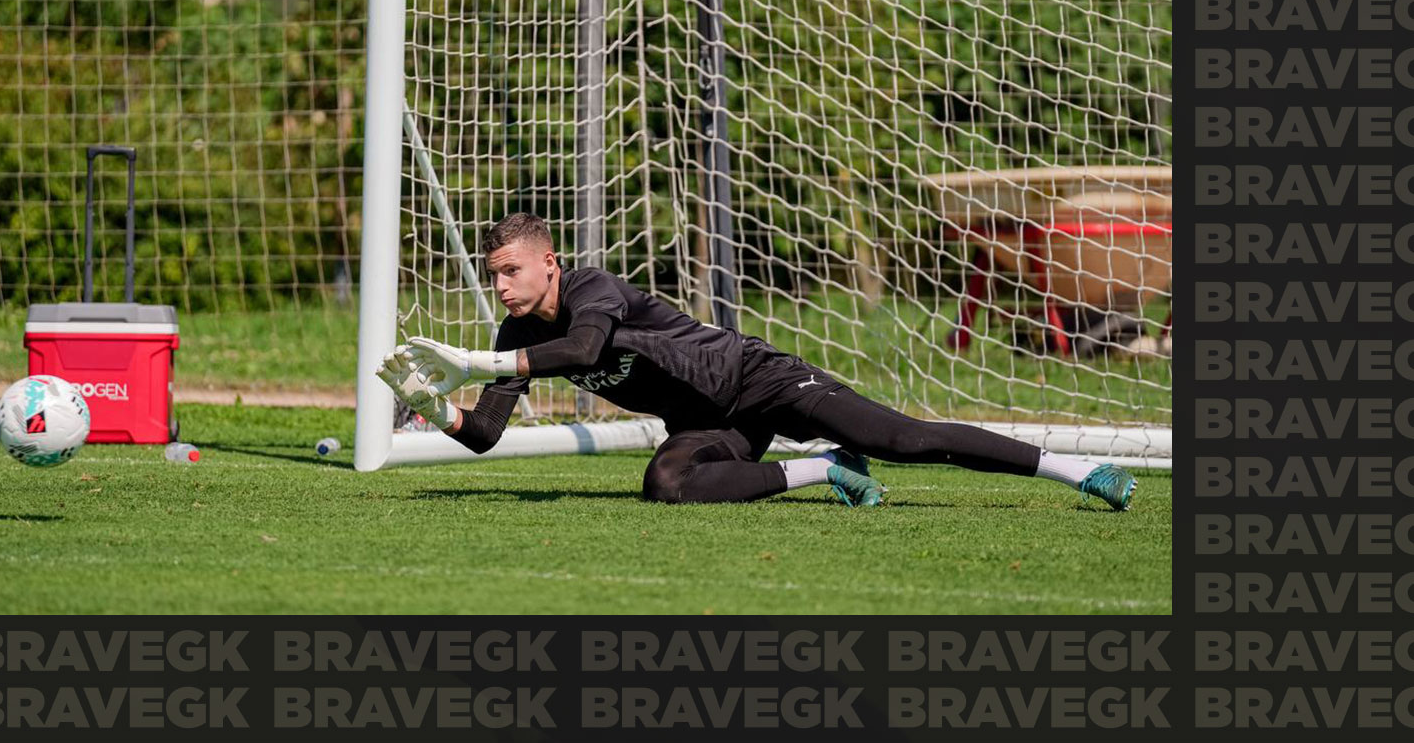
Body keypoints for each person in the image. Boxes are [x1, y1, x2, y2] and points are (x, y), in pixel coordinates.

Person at [376, 213, 1136, 510]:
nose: (500, 284)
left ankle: (1073, 468)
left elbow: (582, 351)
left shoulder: (593, 290)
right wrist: (435, 401)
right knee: (666, 483)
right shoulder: (509, 341)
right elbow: (484, 437)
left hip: (758, 379)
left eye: (512, 270)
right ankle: (823, 470)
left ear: (550, 264)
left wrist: (471, 361)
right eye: (493, 273)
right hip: (708, 419)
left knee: (900, 440)